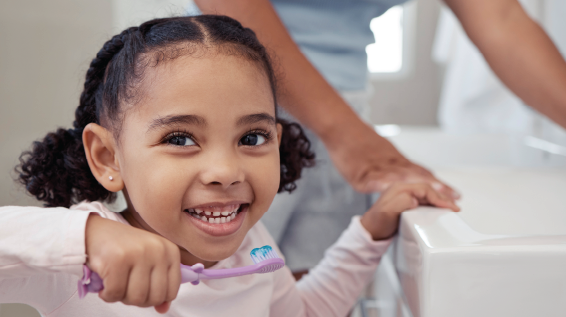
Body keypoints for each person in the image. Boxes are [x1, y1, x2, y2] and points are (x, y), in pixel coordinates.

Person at [0, 15, 459, 316]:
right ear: (107, 158)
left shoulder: (252, 244)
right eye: (179, 138)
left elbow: (295, 313)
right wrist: (83, 236)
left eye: (252, 135)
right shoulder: (81, 262)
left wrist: (370, 233)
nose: (225, 169)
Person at [193, 0, 566, 277]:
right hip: (230, 98)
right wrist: (344, 133)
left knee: (280, 283)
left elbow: (501, 19)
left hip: (340, 107)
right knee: (216, 287)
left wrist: (365, 235)